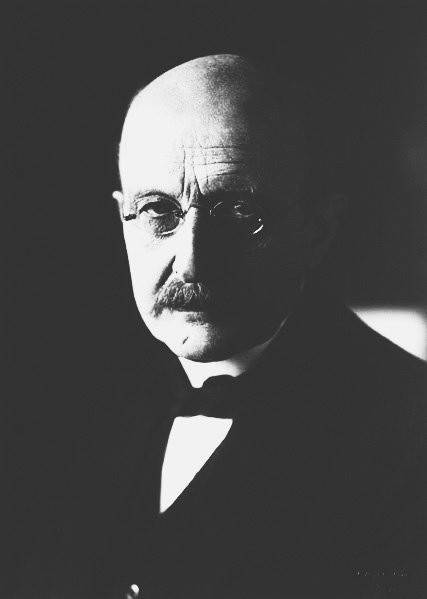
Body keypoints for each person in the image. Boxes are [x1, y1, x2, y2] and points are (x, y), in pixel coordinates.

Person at [14, 54, 427, 599]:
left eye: (237, 212)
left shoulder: (409, 440)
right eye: (157, 212)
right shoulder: (61, 406)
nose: (191, 263)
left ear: (316, 230)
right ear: (122, 218)